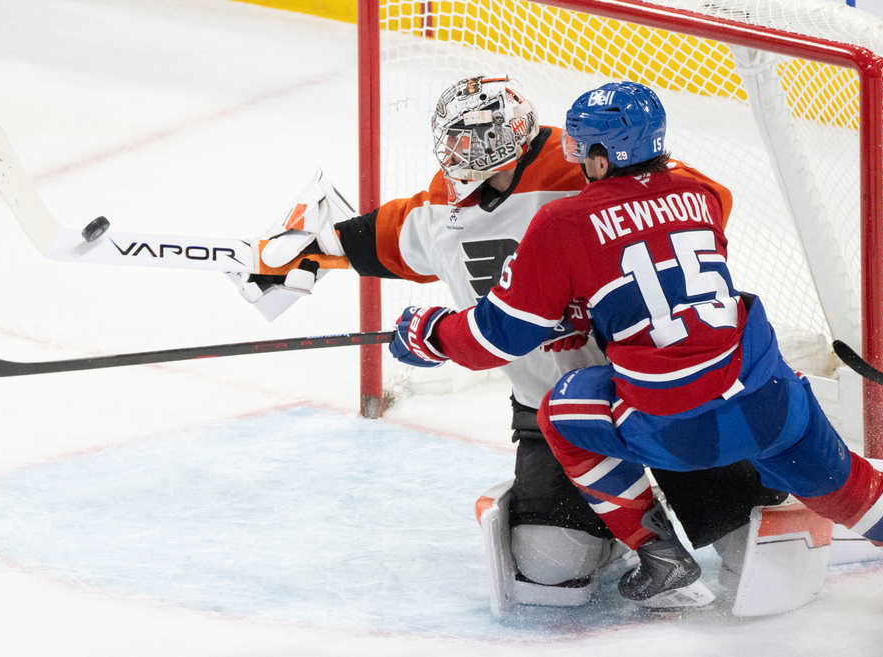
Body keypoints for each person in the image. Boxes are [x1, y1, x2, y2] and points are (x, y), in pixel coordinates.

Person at [230, 75, 810, 612]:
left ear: (515, 134)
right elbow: (385, 237)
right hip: (550, 409)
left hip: (656, 392)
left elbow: (695, 199)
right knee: (551, 575)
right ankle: (614, 531)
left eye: (474, 141)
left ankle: (755, 490)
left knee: (759, 556)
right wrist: (304, 252)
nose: (459, 156)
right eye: (453, 143)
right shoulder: (446, 205)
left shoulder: (583, 172)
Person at [391, 79, 883, 603]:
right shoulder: (700, 194)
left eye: (582, 148)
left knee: (561, 413)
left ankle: (656, 549)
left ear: (604, 155)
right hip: (767, 396)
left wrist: (431, 332)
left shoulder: (563, 220)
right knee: (847, 484)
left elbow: (499, 336)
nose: (576, 158)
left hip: (672, 424)